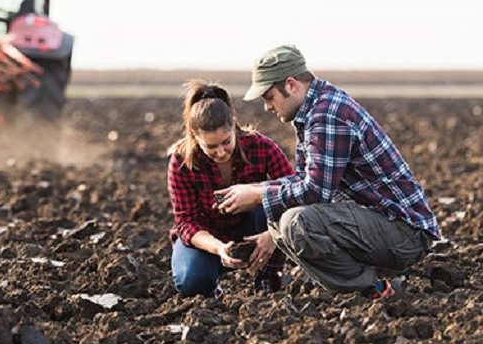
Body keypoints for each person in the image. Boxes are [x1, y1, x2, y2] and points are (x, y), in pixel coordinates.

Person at [218, 45, 440, 299]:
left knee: (296, 223)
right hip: (381, 223)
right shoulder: (313, 110)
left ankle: (376, 289)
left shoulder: (327, 115)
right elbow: (305, 179)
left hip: (405, 234)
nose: (267, 107)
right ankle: (373, 277)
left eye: (269, 97)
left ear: (291, 85)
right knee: (282, 217)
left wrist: (258, 196)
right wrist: (258, 193)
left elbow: (315, 192)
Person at [168, 80, 294, 297]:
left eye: (226, 142)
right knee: (191, 282)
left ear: (233, 126)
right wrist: (219, 248)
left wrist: (273, 235)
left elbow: (295, 190)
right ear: (195, 137)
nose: (221, 152)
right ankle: (211, 285)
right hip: (208, 236)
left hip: (254, 228)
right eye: (211, 147)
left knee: (270, 198)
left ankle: (268, 279)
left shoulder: (261, 147)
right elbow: (186, 222)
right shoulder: (182, 162)